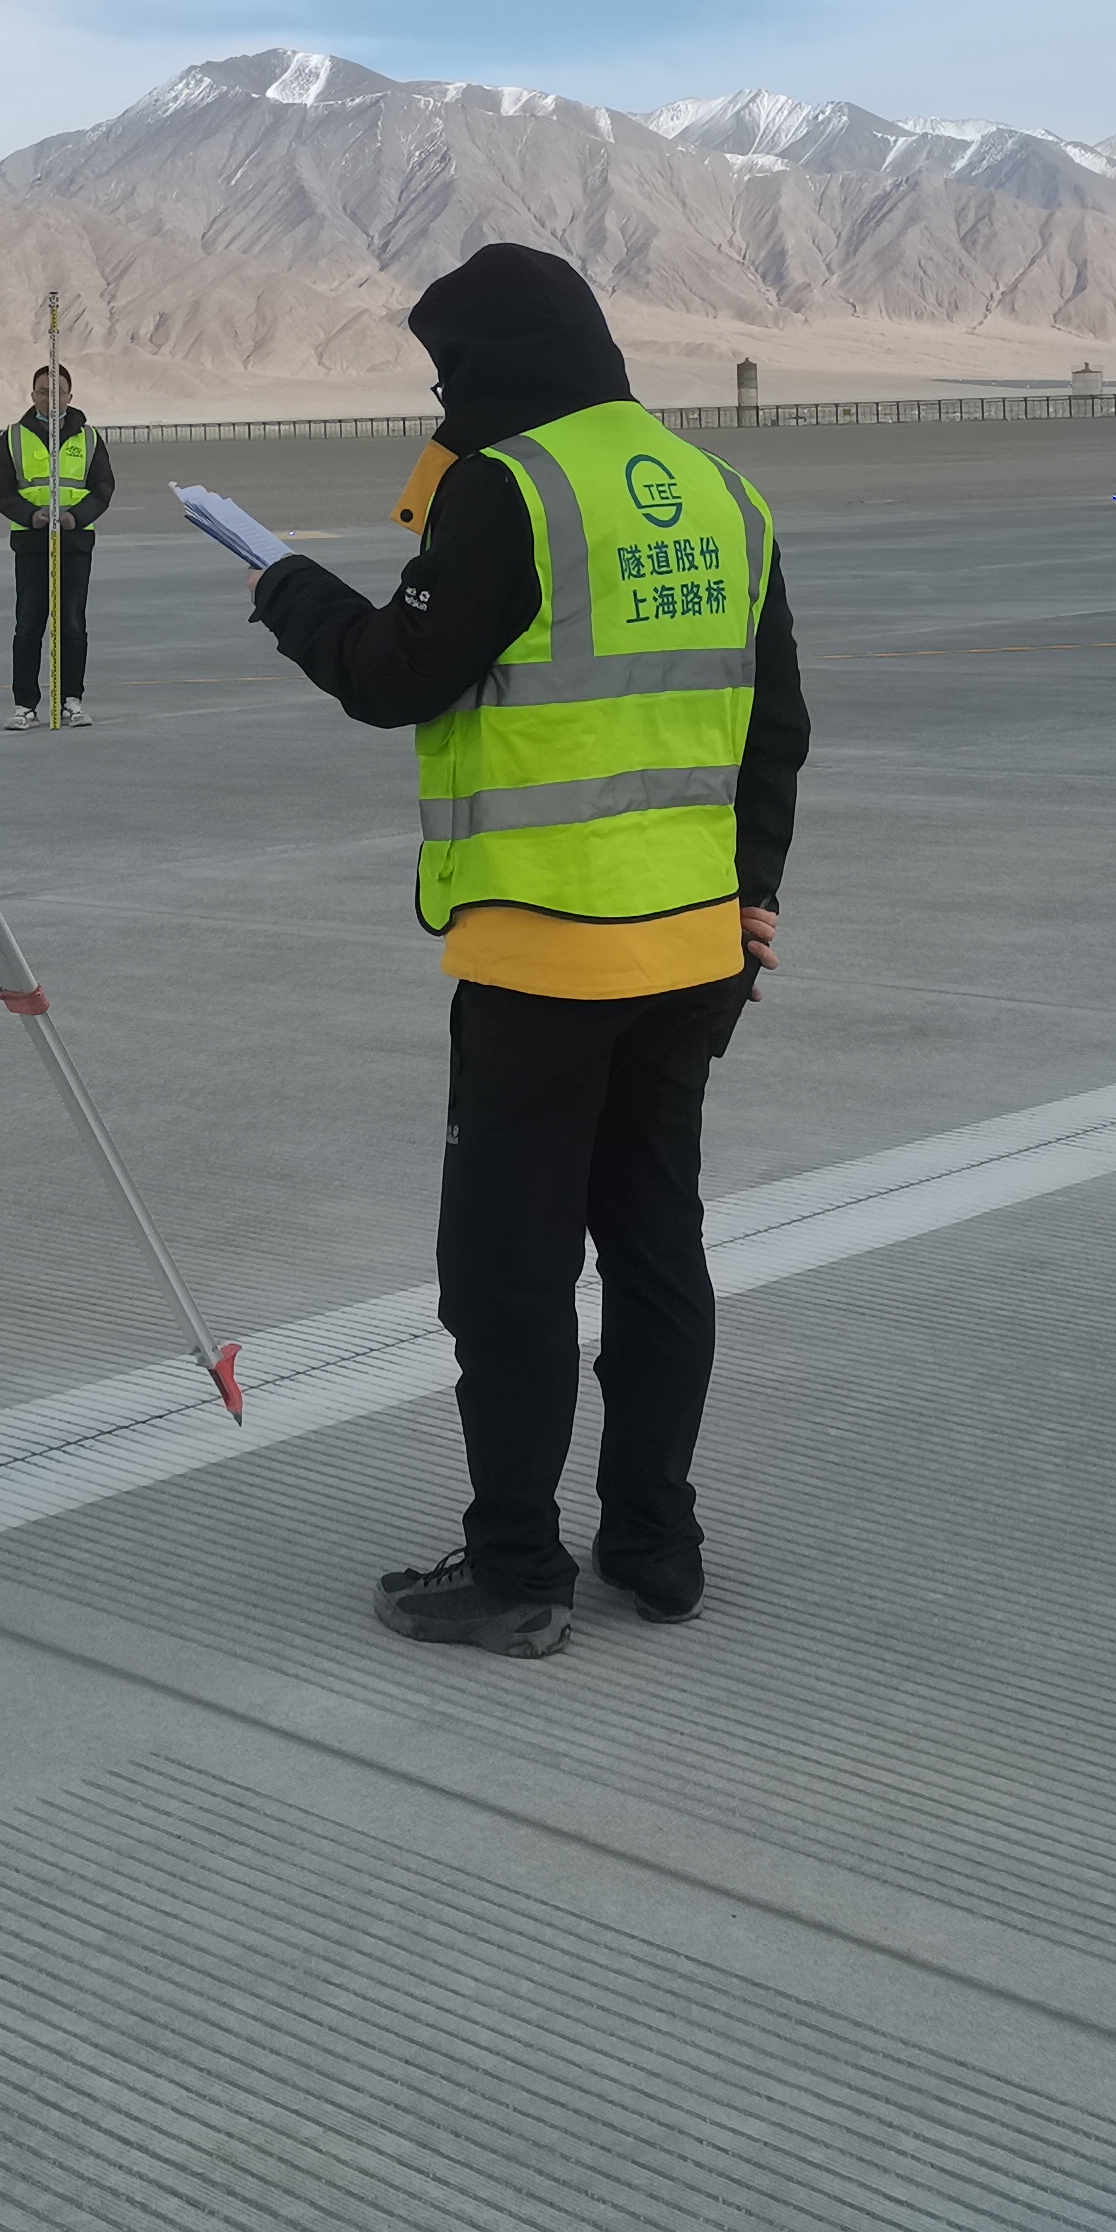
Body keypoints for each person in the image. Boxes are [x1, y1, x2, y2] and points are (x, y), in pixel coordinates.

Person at [244, 244, 808, 1657]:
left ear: (490, 364)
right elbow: (775, 728)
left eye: (449, 375)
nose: (443, 402)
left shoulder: (512, 488)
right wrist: (751, 906)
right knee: (657, 1248)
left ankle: (515, 1570)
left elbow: (394, 676)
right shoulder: (724, 493)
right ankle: (658, 1546)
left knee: (507, 1274)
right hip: (692, 954)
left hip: (547, 955)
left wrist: (287, 588)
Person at [0, 363, 116, 727]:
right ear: (32, 395)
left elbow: (103, 487)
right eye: (43, 391)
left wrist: (77, 517)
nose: (50, 398)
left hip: (74, 545)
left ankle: (71, 701)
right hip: (31, 544)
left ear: (70, 396)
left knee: (71, 624)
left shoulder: (88, 438)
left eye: (58, 392)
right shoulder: (14, 437)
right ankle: (25, 706)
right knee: (29, 624)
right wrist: (30, 516)